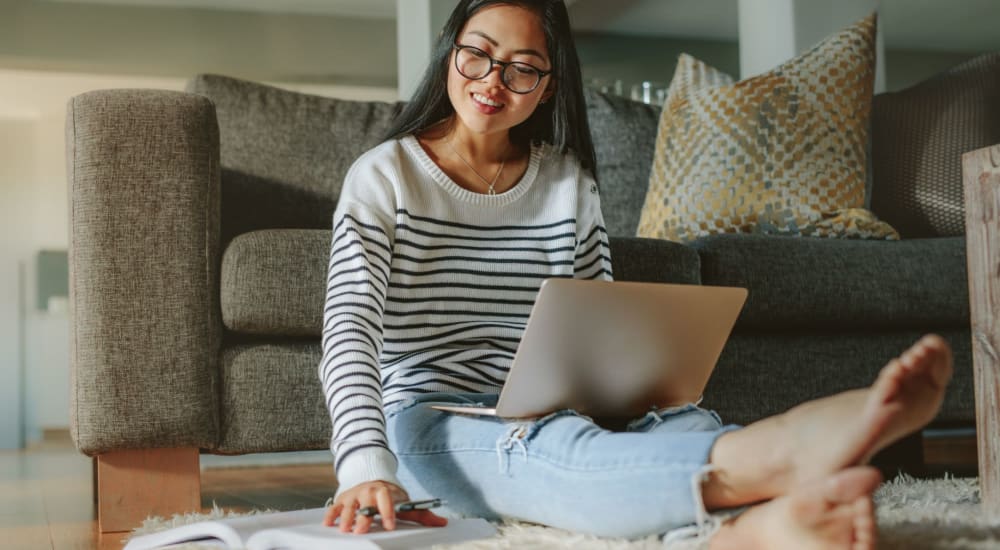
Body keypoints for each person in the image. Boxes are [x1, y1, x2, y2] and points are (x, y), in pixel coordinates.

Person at [318, 1, 954, 547]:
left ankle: (748, 528)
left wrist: (626, 401)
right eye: (478, 55)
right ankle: (778, 456)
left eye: (523, 69)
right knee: (554, 455)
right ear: (449, 52)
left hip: (550, 406)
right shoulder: (385, 175)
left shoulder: (569, 183)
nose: (493, 81)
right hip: (433, 418)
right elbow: (347, 329)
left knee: (680, 424)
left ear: (547, 84)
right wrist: (365, 466)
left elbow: (596, 322)